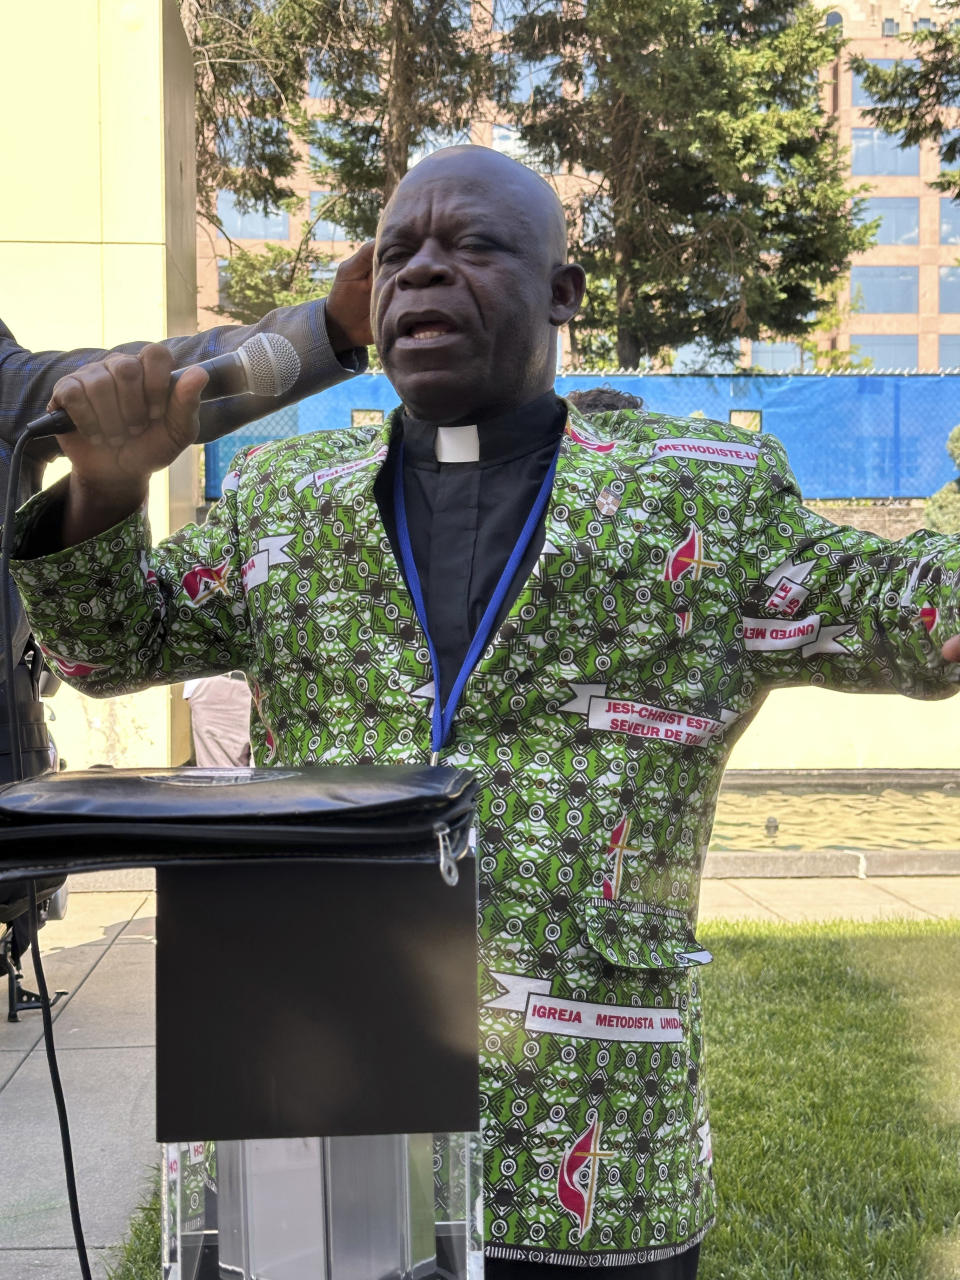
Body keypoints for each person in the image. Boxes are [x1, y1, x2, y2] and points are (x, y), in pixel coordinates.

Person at [9, 145, 960, 1277]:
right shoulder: (284, 501)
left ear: (564, 292)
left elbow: (915, 611)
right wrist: (110, 487)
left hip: (593, 1152)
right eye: (399, 251)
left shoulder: (701, 496)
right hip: (316, 1131)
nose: (422, 273)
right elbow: (108, 646)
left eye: (472, 246)